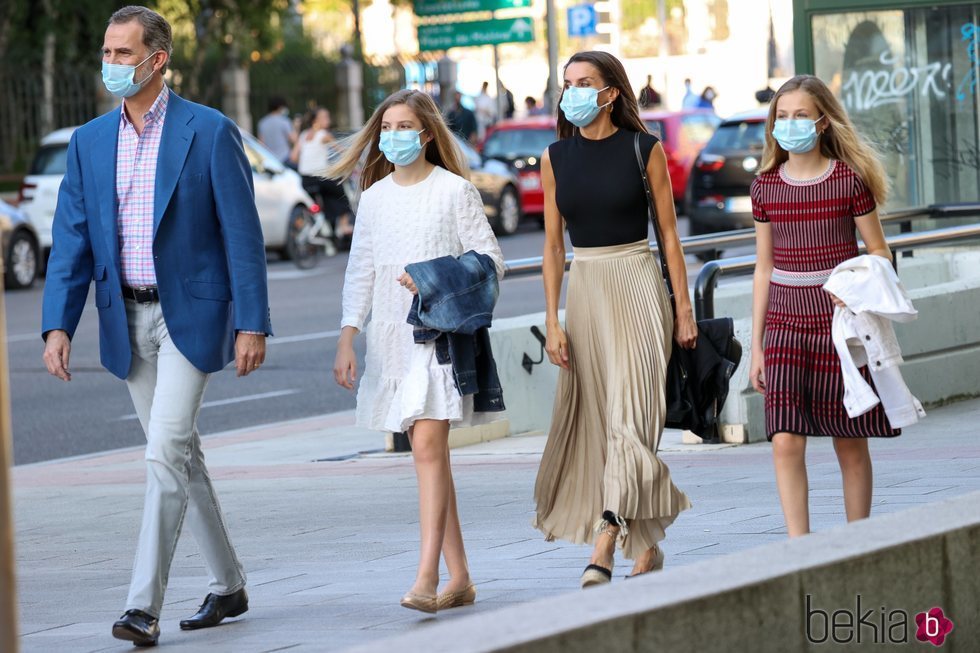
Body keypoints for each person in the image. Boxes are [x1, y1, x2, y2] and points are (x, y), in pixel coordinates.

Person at [40, 6, 271, 647]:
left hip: (190, 316)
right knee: (183, 454)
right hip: (125, 317)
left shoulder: (209, 130)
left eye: (122, 53)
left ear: (157, 59)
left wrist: (252, 322)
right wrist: (56, 325)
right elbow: (72, 241)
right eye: (107, 53)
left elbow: (243, 236)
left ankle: (141, 606)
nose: (111, 63)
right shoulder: (88, 142)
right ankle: (229, 585)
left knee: (164, 452)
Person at [329, 89, 504, 613]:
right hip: (390, 339)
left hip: (439, 337)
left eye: (404, 126)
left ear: (426, 133)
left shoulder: (454, 191)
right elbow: (360, 267)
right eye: (387, 127)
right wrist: (347, 335)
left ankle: (427, 576)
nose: (393, 135)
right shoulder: (376, 196)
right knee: (431, 457)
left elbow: (492, 261)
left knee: (427, 450)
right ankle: (462, 577)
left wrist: (430, 278)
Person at [533, 50, 696, 587]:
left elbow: (670, 234)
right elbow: (553, 247)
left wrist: (684, 309)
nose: (572, 92)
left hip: (639, 284)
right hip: (586, 292)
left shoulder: (642, 148)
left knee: (633, 416)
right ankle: (645, 545)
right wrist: (553, 322)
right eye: (567, 83)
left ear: (610, 93)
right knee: (604, 423)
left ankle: (607, 538)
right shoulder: (554, 157)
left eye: (584, 82)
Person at [749, 75, 898, 538]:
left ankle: (858, 544)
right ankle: (801, 550)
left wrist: (849, 282)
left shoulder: (849, 181)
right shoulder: (765, 187)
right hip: (785, 324)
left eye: (800, 115)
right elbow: (763, 268)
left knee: (849, 441)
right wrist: (756, 347)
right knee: (785, 440)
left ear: (823, 121)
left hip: (840, 325)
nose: (790, 124)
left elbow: (879, 252)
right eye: (782, 116)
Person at [291, 107, 353, 239]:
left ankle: (324, 225)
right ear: (316, 120)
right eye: (325, 117)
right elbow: (342, 151)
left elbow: (294, 158)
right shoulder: (323, 135)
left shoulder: (303, 136)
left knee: (327, 196)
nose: (328, 120)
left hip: (305, 179)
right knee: (341, 194)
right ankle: (343, 226)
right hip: (319, 177)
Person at [257, 96, 295, 164]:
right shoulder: (285, 121)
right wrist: (296, 127)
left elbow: (261, 143)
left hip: (270, 159)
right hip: (285, 158)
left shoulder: (262, 122)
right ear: (280, 107)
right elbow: (293, 139)